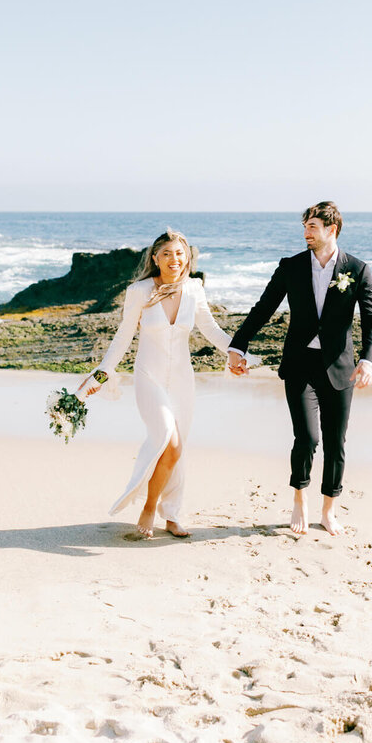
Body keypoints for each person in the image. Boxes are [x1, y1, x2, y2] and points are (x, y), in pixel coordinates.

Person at [76, 229, 252, 539]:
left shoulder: (194, 289)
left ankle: (171, 515)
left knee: (177, 450)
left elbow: (211, 329)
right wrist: (101, 374)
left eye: (179, 253)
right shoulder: (140, 291)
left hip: (183, 381)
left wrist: (238, 355)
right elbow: (123, 337)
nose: (174, 259)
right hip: (149, 378)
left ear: (188, 258)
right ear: (155, 259)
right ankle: (149, 505)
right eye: (167, 254)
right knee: (168, 440)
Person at [227, 201, 372, 536]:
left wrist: (367, 360)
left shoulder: (357, 269)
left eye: (312, 227)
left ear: (331, 229)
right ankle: (300, 497)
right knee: (307, 438)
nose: (306, 233)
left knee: (336, 442)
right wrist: (238, 345)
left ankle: (329, 509)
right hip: (299, 365)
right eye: (305, 227)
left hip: (340, 369)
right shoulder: (291, 266)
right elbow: (264, 307)